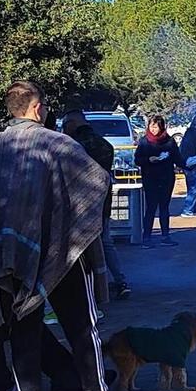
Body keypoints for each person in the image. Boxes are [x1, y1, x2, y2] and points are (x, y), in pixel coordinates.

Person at [0, 81, 127, 391]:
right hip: (63, 252)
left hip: (13, 256)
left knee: (24, 335)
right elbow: (97, 182)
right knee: (81, 327)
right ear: (37, 107)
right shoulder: (59, 143)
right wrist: (76, 219)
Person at [61, 114, 132, 300]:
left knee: (82, 247)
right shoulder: (104, 145)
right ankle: (120, 281)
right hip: (103, 202)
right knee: (106, 242)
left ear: (72, 125)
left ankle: (91, 287)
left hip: (79, 206)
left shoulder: (73, 146)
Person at [134, 116, 179, 245]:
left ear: (162, 127)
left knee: (164, 207)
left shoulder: (169, 141)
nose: (153, 129)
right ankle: (146, 237)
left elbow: (177, 157)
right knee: (151, 207)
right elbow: (137, 159)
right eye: (151, 126)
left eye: (156, 126)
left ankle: (165, 236)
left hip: (166, 178)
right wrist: (149, 159)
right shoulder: (144, 141)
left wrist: (188, 165)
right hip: (150, 178)